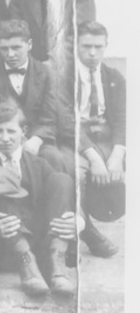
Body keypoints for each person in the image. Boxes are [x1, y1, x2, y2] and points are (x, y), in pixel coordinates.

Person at [0, 101, 78, 297]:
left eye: (11, 131)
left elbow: (65, 195)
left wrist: (77, 221)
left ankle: (57, 263)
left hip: (38, 242)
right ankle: (25, 261)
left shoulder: (38, 163)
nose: (6, 138)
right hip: (0, 246)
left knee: (62, 179)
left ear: (23, 132)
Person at [0, 20, 61, 172]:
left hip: (37, 136)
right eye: (4, 49)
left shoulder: (46, 73)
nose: (10, 54)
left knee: (54, 161)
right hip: (1, 136)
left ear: (29, 45)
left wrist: (36, 139)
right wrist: (6, 137)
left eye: (16, 48)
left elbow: (49, 118)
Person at [69, 21, 123, 258]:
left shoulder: (114, 77)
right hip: (76, 138)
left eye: (98, 47)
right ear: (75, 45)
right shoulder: (64, 76)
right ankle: (83, 233)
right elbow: (67, 119)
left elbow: (124, 118)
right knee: (76, 175)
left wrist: (117, 155)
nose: (92, 53)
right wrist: (94, 157)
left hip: (107, 137)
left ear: (106, 46)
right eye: (86, 46)